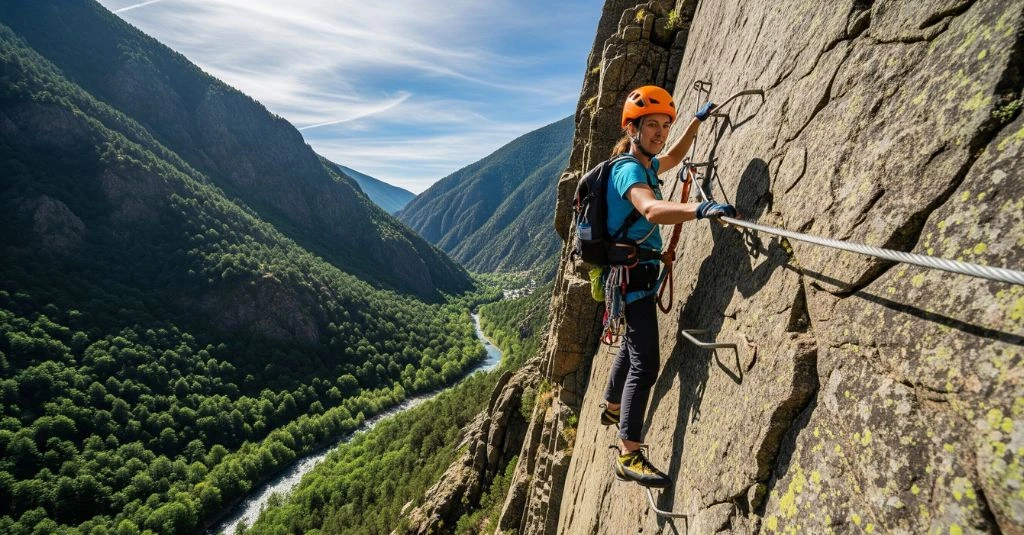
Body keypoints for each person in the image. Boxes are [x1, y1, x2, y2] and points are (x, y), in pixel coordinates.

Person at [600, 85, 736, 488]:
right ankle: (629, 453)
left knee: (630, 346)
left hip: (634, 275)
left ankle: (611, 406)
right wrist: (700, 209)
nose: (660, 132)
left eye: (664, 125)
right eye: (652, 125)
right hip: (633, 280)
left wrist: (694, 123)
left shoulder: (644, 164)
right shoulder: (628, 169)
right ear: (633, 128)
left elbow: (674, 158)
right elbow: (652, 209)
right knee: (646, 363)